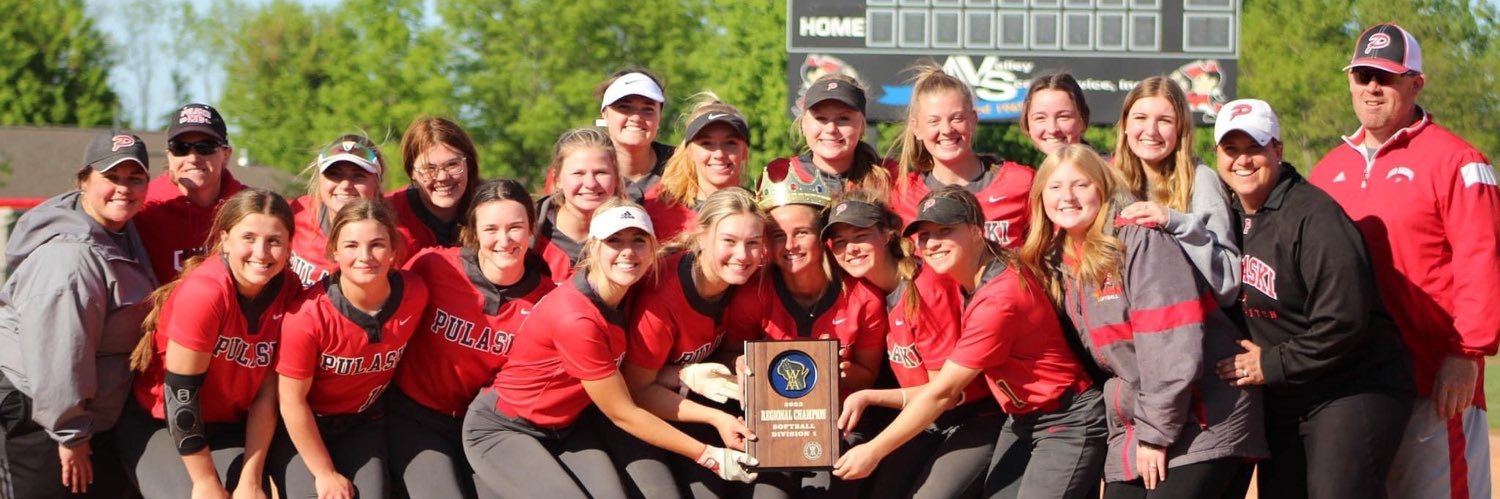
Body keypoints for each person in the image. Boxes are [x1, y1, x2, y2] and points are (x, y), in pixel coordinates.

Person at [1307, 23, 1500, 499]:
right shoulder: (1327, 171)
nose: (1372, 87)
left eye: (1387, 77)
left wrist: (1465, 354)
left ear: (1416, 83)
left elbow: (1482, 261)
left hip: (1433, 382)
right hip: (1353, 390)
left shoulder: (1457, 160)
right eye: (1363, 75)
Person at [464, 199, 757, 498]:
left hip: (569, 426)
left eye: (638, 241)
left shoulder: (628, 290)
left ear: (653, 248)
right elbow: (623, 413)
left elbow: (630, 374)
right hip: (505, 428)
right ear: (593, 247)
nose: (627, 251)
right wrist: (709, 455)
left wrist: (684, 375)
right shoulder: (577, 318)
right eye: (614, 241)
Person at [1019, 144, 1266, 498]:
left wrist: (1154, 434)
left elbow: (1170, 349)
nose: (1067, 197)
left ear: (1103, 189)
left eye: (1081, 185)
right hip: (1140, 418)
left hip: (1204, 411)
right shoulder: (1058, 264)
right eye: (1055, 187)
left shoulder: (1140, 242)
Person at [836, 186, 1104, 499]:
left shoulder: (998, 298)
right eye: (924, 235)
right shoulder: (972, 279)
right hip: (1021, 420)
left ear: (977, 231)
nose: (932, 243)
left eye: (946, 230)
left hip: (1066, 417)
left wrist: (873, 450)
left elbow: (945, 392)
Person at [1210, 99, 1414, 499]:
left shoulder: (1314, 216)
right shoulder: (1227, 218)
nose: (1243, 160)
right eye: (1231, 149)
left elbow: (1344, 321)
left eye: (1255, 147)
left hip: (1353, 385)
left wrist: (1270, 362)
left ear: (1278, 151)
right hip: (1288, 394)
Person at [0, 130, 157, 498]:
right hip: (39, 413)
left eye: (135, 179)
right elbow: (59, 354)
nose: (123, 188)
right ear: (84, 180)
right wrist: (70, 435)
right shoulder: (70, 257)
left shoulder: (118, 232)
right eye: (111, 177)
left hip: (82, 415)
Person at [118, 189, 299, 499]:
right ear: (225, 239)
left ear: (289, 246)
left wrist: (251, 480)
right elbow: (180, 398)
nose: (262, 252)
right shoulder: (207, 292)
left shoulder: (288, 287)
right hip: (163, 424)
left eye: (274, 241)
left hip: (229, 425)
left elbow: (266, 396)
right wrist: (204, 482)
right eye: (249, 238)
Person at [822, 190, 999, 498]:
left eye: (860, 236)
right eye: (839, 242)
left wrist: (869, 397)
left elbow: (946, 392)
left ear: (888, 233)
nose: (850, 249)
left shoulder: (927, 287)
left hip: (972, 417)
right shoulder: (868, 291)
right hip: (928, 421)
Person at [724, 168, 887, 497]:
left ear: (822, 237)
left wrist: (838, 372)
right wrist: (740, 367)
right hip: (772, 427)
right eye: (778, 235)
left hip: (840, 426)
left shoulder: (863, 296)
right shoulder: (753, 292)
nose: (790, 245)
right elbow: (729, 352)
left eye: (802, 233)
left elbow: (868, 375)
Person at [389, 179, 557, 499]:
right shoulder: (434, 265)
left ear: (532, 229)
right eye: (491, 228)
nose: (504, 240)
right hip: (415, 419)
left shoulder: (547, 299)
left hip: (488, 428)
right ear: (473, 231)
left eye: (515, 227)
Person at [269, 200, 428, 499]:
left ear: (394, 250)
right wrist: (324, 473)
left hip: (362, 422)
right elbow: (291, 402)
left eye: (378, 244)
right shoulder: (306, 316)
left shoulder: (416, 293)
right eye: (352, 245)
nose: (365, 257)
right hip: (303, 425)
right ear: (334, 251)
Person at [616, 187, 766, 498]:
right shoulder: (662, 296)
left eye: (753, 243)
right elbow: (636, 389)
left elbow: (725, 350)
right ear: (701, 236)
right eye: (729, 241)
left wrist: (735, 362)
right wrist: (716, 418)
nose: (743, 255)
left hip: (692, 403)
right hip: (639, 416)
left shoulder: (749, 281)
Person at [1110, 76, 1240, 308]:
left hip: (1190, 333)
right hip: (1129, 334)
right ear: (1125, 125)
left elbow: (1229, 283)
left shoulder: (1201, 181)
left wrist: (1174, 221)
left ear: (1181, 128)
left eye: (1164, 121)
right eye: (1140, 118)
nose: (1151, 130)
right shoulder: (1108, 182)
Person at [890, 65, 1033, 248]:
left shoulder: (1021, 182)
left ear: (973, 120)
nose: (947, 130)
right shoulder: (901, 193)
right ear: (916, 128)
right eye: (934, 121)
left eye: (957, 118)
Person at [135, 103, 247, 282]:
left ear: (226, 154)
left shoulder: (250, 208)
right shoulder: (142, 208)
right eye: (181, 148)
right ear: (169, 156)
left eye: (206, 147)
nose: (193, 158)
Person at [765, 74, 892, 200]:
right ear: (804, 124)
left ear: (862, 126)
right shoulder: (781, 175)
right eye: (821, 118)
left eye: (843, 118)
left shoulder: (893, 178)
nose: (831, 129)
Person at [645, 94, 752, 241]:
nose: (719, 154)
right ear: (689, 152)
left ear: (745, 152)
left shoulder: (762, 210)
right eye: (706, 143)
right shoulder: (658, 212)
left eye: (730, 143)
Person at [288, 134, 389, 287]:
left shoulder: (392, 237)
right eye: (334, 174)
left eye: (358, 175)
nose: (345, 185)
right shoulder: (295, 213)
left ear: (377, 184)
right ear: (319, 179)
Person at [534, 127, 625, 282]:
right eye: (578, 173)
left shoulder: (632, 234)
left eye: (600, 173)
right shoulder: (529, 235)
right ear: (557, 179)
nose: (590, 183)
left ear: (616, 177)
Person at [388, 116, 482, 253]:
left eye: (452, 165)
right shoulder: (388, 213)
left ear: (469, 164)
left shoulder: (495, 207)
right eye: (429, 168)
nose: (442, 176)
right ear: (411, 172)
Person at [598, 69, 675, 204]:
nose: (636, 118)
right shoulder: (576, 167)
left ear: (660, 117)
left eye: (648, 109)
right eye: (624, 107)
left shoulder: (684, 165)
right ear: (604, 114)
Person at [1020, 74, 1091, 157]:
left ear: (1083, 119)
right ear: (1027, 123)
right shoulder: (1038, 169)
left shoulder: (1105, 169)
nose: (1052, 129)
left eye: (1063, 117)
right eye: (1040, 118)